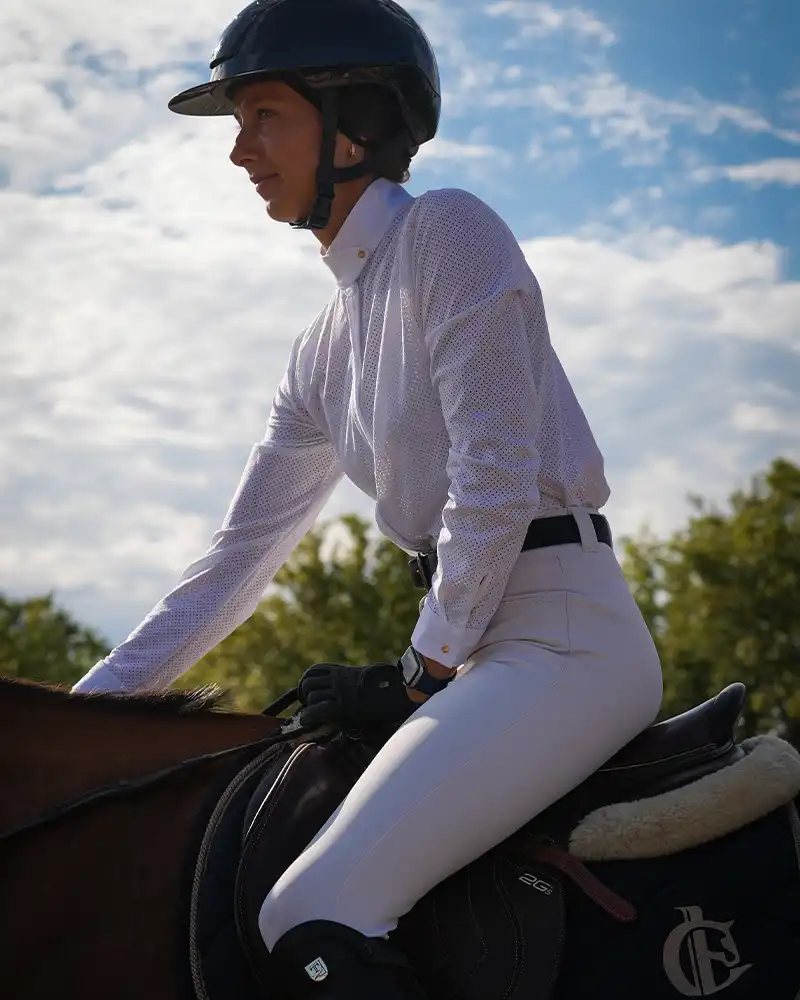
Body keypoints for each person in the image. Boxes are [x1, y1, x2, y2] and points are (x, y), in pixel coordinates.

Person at [72, 0, 664, 996]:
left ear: (355, 124)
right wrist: (75, 722)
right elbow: (230, 567)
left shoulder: (449, 232)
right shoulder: (319, 350)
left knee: (309, 910)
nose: (239, 152)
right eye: (237, 125)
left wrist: (420, 669)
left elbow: (494, 481)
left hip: (564, 644)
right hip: (474, 653)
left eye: (264, 116)